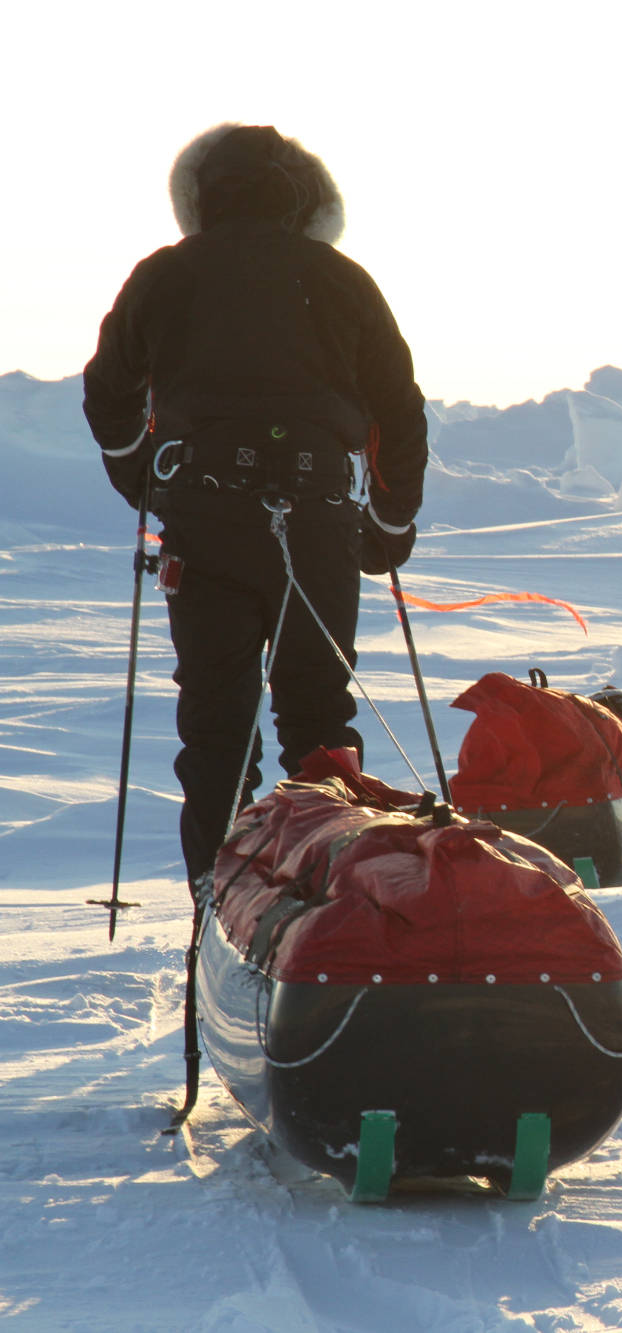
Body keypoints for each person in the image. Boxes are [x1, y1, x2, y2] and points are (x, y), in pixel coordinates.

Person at [82, 123, 429, 890]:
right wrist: (390, 527)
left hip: (205, 522)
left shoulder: (164, 274)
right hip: (320, 519)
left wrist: (143, 477)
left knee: (217, 724)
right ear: (304, 199)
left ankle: (217, 898)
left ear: (200, 197)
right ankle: (334, 894)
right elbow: (399, 412)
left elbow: (107, 392)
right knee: (316, 714)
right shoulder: (341, 278)